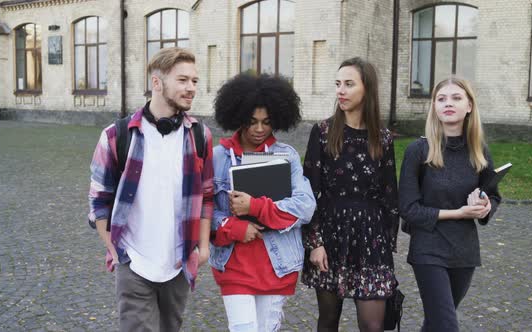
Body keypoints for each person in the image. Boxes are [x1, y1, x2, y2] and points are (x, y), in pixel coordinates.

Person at [88, 47, 213, 331]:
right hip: (135, 263)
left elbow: (206, 196)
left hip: (179, 265)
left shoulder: (200, 136)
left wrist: (202, 249)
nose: (191, 88)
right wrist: (117, 252)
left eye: (194, 80)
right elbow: (98, 200)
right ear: (156, 83)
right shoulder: (116, 136)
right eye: (182, 80)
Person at [209, 73, 316, 332]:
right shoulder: (218, 157)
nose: (259, 129)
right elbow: (204, 211)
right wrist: (233, 227)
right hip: (234, 265)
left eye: (267, 122)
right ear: (238, 117)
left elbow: (305, 206)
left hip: (276, 265)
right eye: (252, 121)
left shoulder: (286, 156)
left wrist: (255, 207)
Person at [301, 57, 400, 332]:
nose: (340, 91)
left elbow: (389, 193)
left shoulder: (383, 137)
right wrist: (315, 242)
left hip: (371, 238)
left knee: (373, 325)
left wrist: (386, 243)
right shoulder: (322, 132)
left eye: (348, 84)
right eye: (337, 84)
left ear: (366, 89)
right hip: (331, 235)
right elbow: (308, 191)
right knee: (329, 321)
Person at [398, 77, 501, 332]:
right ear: (434, 106)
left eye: (456, 98)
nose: (448, 104)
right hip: (428, 249)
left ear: (469, 106)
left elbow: (493, 194)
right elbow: (408, 209)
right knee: (446, 325)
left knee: (436, 323)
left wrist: (486, 206)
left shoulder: (479, 151)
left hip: (464, 252)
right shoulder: (418, 151)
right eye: (441, 99)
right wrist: (459, 212)